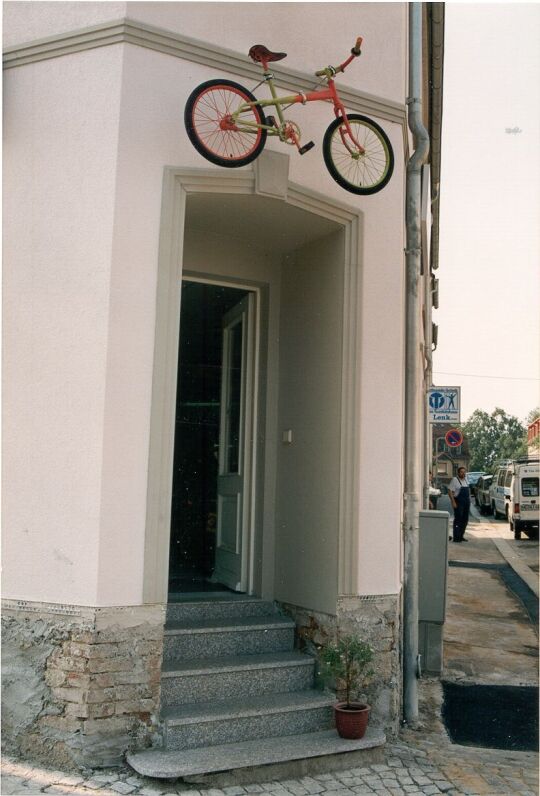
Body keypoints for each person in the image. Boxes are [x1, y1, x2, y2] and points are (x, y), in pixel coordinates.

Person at [448, 466, 470, 542]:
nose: (463, 473)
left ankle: (461, 535)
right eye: (461, 472)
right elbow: (450, 491)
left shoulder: (466, 479)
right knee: (458, 519)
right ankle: (456, 537)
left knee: (465, 519)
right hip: (458, 501)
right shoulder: (455, 480)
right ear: (458, 473)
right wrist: (453, 502)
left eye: (464, 472)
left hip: (466, 501)